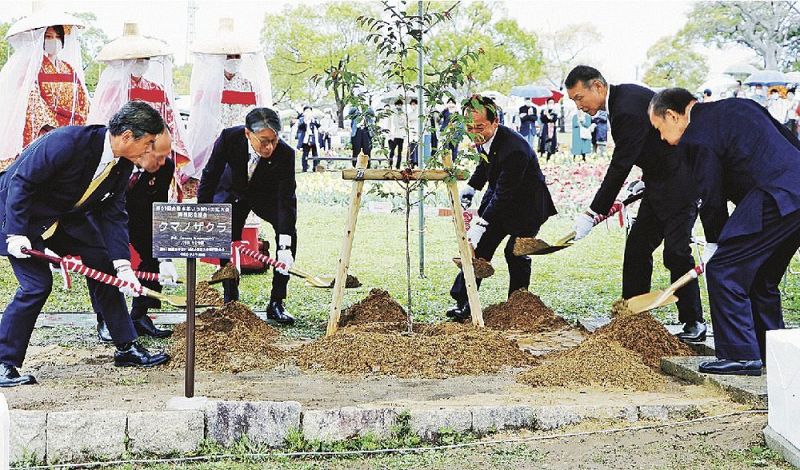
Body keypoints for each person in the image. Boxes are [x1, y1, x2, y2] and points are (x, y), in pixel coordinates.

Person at [0, 101, 171, 387]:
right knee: (36, 285)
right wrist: (16, 233)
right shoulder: (67, 142)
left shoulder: (122, 164)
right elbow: (22, 183)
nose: (150, 150)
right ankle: (4, 362)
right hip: (17, 215)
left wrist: (123, 265)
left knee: (104, 265)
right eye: (149, 142)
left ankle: (126, 347)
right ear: (128, 136)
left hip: (64, 217)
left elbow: (114, 212)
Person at [648, 88, 800, 376]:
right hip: (794, 189)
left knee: (724, 270)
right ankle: (772, 350)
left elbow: (712, 197)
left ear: (672, 115)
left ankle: (741, 355)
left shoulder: (697, 137)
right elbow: (789, 142)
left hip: (774, 194)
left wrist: (716, 243)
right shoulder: (738, 106)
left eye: (659, 128)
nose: (661, 138)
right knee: (761, 277)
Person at [565, 65, 705, 342]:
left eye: (580, 98)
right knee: (638, 248)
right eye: (574, 101)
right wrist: (646, 176)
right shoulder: (623, 100)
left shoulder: (626, 108)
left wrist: (593, 212)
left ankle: (694, 321)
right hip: (658, 182)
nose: (579, 106)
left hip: (683, 182)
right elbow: (649, 146)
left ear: (598, 87)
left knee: (676, 252)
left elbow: (620, 164)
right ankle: (632, 317)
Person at [447, 95, 557, 322]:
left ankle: (517, 305)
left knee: (515, 252)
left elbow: (504, 193)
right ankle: (464, 302)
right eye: (469, 127)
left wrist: (481, 223)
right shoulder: (484, 139)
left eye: (480, 127)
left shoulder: (515, 148)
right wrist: (471, 188)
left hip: (527, 206)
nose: (474, 132)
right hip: (501, 200)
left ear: (495, 121)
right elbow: (485, 164)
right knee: (478, 251)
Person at [197, 108, 297, 325]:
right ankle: (231, 298)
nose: (269, 146)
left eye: (274, 140)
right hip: (233, 192)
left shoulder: (286, 154)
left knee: (288, 234)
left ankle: (277, 302)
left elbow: (286, 200)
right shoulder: (229, 138)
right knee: (226, 235)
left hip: (265, 197)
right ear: (247, 134)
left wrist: (285, 245)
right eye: (263, 141)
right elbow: (210, 173)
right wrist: (203, 211)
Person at [95, 132, 177, 342]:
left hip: (139, 219)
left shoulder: (165, 167)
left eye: (165, 157)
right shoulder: (117, 162)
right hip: (106, 219)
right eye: (158, 157)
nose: (162, 163)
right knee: (103, 263)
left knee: (153, 256)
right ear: (144, 148)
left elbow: (158, 205)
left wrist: (164, 252)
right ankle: (105, 318)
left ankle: (140, 314)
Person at [88, 23, 190, 192]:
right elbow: (104, 122)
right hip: (126, 149)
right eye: (137, 59)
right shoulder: (112, 90)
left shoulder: (157, 89)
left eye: (145, 59)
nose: (142, 63)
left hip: (152, 153)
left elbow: (169, 122)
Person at [185, 17, 272, 180]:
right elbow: (201, 116)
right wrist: (219, 130)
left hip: (242, 138)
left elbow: (257, 114)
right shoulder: (208, 87)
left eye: (237, 56)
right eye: (229, 56)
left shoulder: (249, 85)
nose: (233, 60)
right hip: (215, 139)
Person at [0, 16, 89, 166]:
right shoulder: (32, 67)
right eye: (48, 37)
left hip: (71, 128)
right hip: (44, 131)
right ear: (41, 39)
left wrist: (78, 123)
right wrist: (52, 125)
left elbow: (82, 99)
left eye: (57, 37)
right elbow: (30, 98)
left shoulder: (68, 68)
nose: (54, 41)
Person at [296, 106, 320, 172]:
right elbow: (300, 127)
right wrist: (305, 121)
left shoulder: (314, 119)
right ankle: (305, 167)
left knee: (315, 153)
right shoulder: (301, 119)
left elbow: (318, 125)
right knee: (305, 154)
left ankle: (315, 167)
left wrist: (313, 120)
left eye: (309, 111)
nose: (308, 113)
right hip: (305, 139)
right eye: (306, 111)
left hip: (314, 138)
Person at [387, 99, 406, 169]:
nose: (399, 106)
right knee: (392, 150)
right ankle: (390, 164)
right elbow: (392, 123)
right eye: (398, 105)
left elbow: (404, 123)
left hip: (401, 135)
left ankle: (398, 166)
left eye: (400, 105)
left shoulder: (403, 113)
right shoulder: (393, 112)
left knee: (399, 152)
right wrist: (390, 134)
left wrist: (401, 116)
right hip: (394, 135)